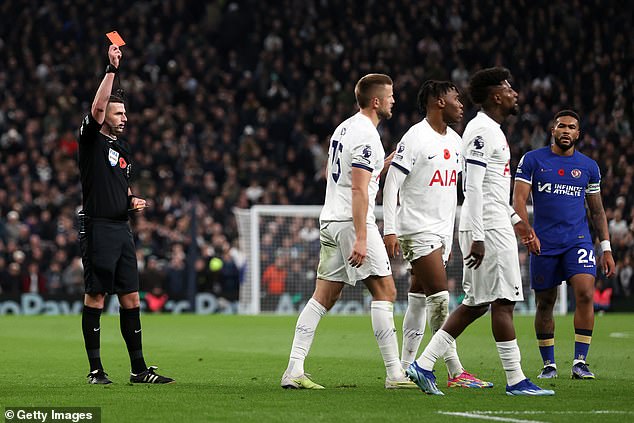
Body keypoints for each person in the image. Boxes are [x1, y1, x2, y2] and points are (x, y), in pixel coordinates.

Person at [406, 67, 554, 396]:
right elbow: (471, 187)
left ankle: (424, 364)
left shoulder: (490, 130)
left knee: (477, 303)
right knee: (503, 301)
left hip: (492, 223)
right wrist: (478, 235)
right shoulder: (482, 131)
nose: (515, 93)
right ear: (495, 96)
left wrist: (519, 223)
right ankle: (515, 380)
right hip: (486, 226)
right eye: (508, 88)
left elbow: (493, 192)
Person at [281, 74, 412, 389]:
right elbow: (357, 188)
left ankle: (294, 370)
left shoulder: (344, 127)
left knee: (324, 296)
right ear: (376, 101)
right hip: (352, 223)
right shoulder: (367, 134)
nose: (394, 100)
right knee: (386, 292)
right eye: (390, 96)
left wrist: (385, 163)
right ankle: (395, 374)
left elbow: (336, 176)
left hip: (331, 218)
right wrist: (362, 236)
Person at [383, 80, 492, 389]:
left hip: (441, 232)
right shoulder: (416, 137)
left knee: (418, 299)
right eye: (455, 99)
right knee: (441, 299)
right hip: (417, 229)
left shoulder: (456, 141)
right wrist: (390, 229)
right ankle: (454, 371)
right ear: (438, 102)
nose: (461, 104)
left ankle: (401, 372)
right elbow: (392, 184)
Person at [78, 44, 173, 384]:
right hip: (97, 227)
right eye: (119, 114)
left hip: (121, 228)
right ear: (105, 117)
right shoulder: (90, 140)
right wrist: (111, 68)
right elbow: (98, 106)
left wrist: (132, 200)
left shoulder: (122, 149)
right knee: (97, 296)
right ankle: (96, 370)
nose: (124, 119)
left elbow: (122, 185)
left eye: (125, 114)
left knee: (131, 297)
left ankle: (138, 370)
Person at [513, 109, 616, 379]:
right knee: (545, 302)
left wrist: (605, 248)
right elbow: (519, 201)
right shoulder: (533, 160)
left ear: (578, 134)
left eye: (571, 127)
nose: (566, 131)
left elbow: (597, 212)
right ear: (553, 130)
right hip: (543, 242)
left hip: (578, 240)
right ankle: (549, 364)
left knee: (584, 293)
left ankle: (580, 362)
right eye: (561, 126)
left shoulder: (589, 167)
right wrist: (527, 234)